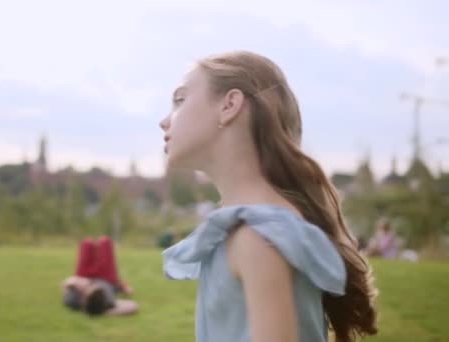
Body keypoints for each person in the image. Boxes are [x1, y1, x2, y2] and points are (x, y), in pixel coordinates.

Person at [159, 51, 378, 342]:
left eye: (180, 100)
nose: (164, 120)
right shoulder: (257, 228)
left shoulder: (257, 237)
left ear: (229, 105)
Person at [61, 236, 138, 316]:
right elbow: (133, 305)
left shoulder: (73, 301)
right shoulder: (108, 301)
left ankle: (91, 242)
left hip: (84, 276)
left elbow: (67, 283)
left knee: (87, 243)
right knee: (105, 242)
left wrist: (73, 283)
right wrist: (108, 312)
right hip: (105, 277)